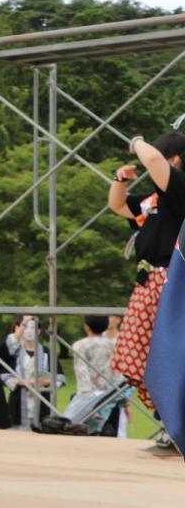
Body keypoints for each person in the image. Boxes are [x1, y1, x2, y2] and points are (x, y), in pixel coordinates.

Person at [107, 132, 185, 421]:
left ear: (174, 160)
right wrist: (120, 180)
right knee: (138, 355)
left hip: (172, 282)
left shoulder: (179, 189)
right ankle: (167, 416)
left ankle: (175, 418)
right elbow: (118, 206)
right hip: (148, 282)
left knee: (170, 353)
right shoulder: (154, 200)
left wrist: (137, 141)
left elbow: (151, 158)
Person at [0, 316, 64, 430]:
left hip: (42, 402)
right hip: (18, 402)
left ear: (38, 331)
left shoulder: (48, 353)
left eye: (33, 327)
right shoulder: (13, 352)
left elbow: (59, 378)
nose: (29, 331)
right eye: (26, 327)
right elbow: (4, 375)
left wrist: (46, 382)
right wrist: (24, 382)